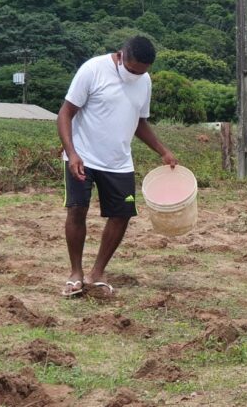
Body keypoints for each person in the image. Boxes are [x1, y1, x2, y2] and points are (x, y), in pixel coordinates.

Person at [57, 36, 178, 297]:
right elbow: (65, 113)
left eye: (142, 72)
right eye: (132, 70)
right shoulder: (92, 70)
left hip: (119, 161)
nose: (135, 76)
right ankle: (75, 273)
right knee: (77, 210)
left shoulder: (144, 82)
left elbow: (140, 122)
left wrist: (163, 151)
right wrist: (72, 153)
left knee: (122, 214)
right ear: (121, 55)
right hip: (84, 157)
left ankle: (97, 273)